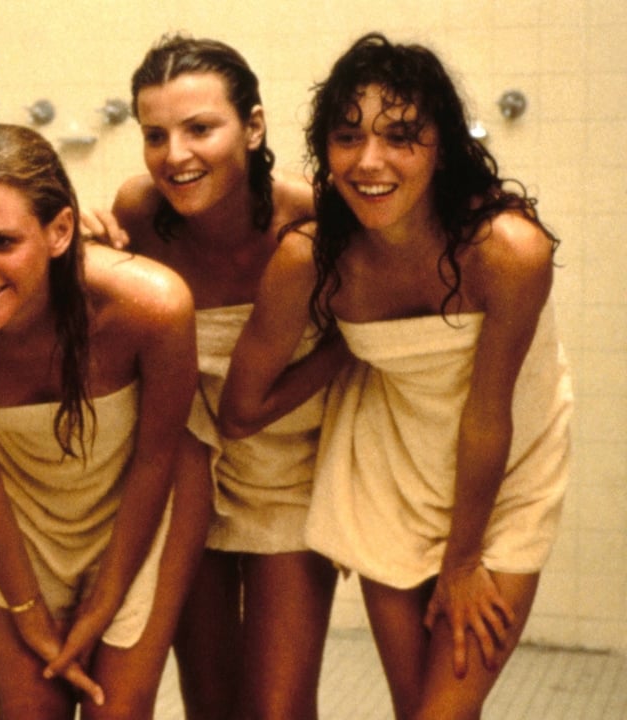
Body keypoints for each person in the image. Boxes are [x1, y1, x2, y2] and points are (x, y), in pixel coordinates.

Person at [220, 33, 572, 720]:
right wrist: (341, 352)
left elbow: (488, 415)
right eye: (348, 136)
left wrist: (464, 562)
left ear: (442, 148)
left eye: (401, 136)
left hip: (506, 480)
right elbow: (239, 412)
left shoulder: (506, 251)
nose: (369, 161)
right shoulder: (314, 259)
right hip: (392, 479)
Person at [0, 123, 210, 719]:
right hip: (20, 511)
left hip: (144, 503)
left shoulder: (150, 306)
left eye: (1, 242)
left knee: (116, 711)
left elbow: (158, 458)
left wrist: (103, 604)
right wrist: (27, 611)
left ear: (59, 231)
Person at [85, 34, 341, 718]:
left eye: (200, 129)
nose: (175, 155)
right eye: (155, 135)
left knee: (281, 707)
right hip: (185, 474)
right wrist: (75, 237)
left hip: (290, 477)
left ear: (253, 127)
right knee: (210, 701)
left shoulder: (314, 214)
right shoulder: (140, 213)